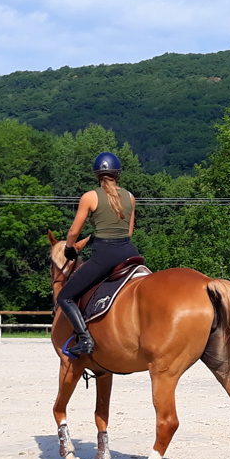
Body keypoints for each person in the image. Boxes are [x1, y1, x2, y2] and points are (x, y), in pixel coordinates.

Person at [57, 152, 138, 356]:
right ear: (118, 174)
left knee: (65, 296)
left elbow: (74, 231)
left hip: (105, 254)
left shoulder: (90, 197)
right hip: (130, 252)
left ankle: (85, 340)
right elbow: (129, 232)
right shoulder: (130, 197)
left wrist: (69, 247)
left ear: (97, 175)